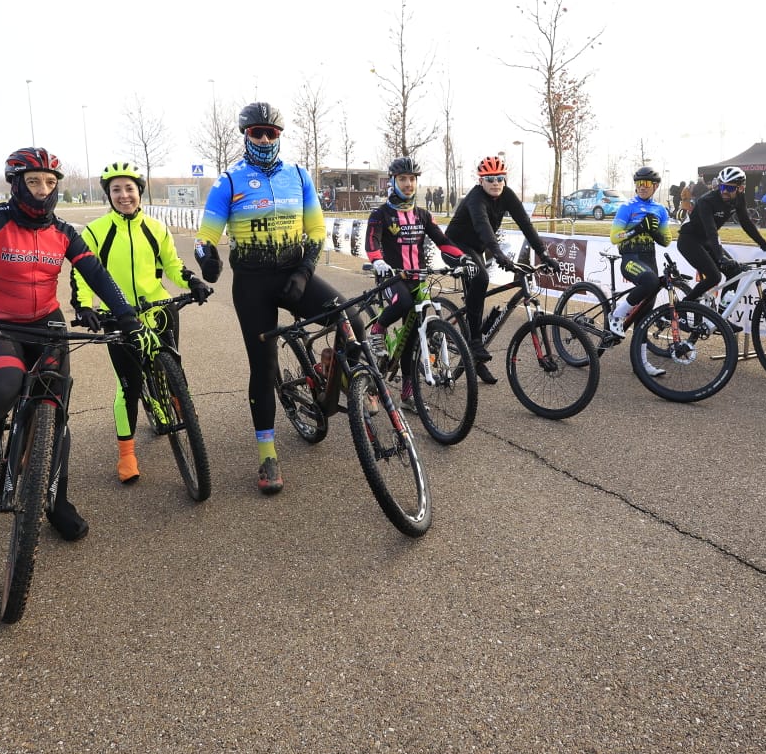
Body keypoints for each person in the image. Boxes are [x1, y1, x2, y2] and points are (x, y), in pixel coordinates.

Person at [0, 147, 158, 542]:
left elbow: (96, 274)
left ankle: (56, 501)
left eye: (51, 182)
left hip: (47, 324)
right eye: (34, 181)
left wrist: (126, 318)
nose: (43, 190)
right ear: (16, 183)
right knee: (5, 385)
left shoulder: (62, 231)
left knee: (56, 413)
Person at [194, 102, 344, 495]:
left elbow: (315, 231)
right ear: (245, 135)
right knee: (263, 367)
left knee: (351, 322)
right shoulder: (229, 180)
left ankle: (328, 368)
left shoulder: (298, 175)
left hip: (295, 273)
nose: (263, 138)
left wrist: (304, 272)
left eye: (271, 133)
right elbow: (205, 235)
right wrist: (206, 257)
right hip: (253, 283)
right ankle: (267, 455)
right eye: (256, 132)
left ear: (279, 136)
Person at [70, 160, 211, 484]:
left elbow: (173, 265)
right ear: (108, 195)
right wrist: (83, 306)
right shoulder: (96, 232)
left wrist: (192, 282)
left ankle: (179, 404)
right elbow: (82, 273)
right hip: (118, 317)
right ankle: (127, 454)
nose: (123, 195)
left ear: (139, 192)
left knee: (173, 366)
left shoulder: (155, 228)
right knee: (129, 385)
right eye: (116, 190)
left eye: (129, 189)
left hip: (158, 309)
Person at [364, 157, 473, 401]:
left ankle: (407, 392)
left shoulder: (423, 215)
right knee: (402, 303)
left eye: (412, 179)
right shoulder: (380, 214)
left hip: (419, 279)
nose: (408, 184)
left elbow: (442, 241)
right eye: (403, 179)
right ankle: (378, 328)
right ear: (392, 181)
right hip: (391, 279)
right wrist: (378, 262)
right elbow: (372, 241)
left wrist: (463, 258)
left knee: (412, 338)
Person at [445, 155, 556, 384]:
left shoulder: (507, 195)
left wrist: (544, 254)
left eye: (500, 178)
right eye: (490, 179)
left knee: (477, 291)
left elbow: (526, 224)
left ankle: (474, 360)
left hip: (477, 248)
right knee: (480, 278)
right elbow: (482, 226)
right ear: (481, 181)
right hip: (455, 246)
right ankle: (474, 344)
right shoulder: (475, 198)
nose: (496, 183)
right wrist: (498, 254)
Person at [675, 165, 766, 306]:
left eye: (729, 188)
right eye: (722, 186)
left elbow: (746, 223)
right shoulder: (706, 201)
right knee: (714, 277)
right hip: (689, 240)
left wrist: (764, 244)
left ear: (740, 188)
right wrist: (720, 257)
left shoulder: (739, 198)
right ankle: (682, 307)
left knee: (735, 272)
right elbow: (711, 230)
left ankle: (721, 317)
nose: (724, 191)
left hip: (705, 240)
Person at [606, 166, 672, 377]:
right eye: (638, 183)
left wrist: (653, 230)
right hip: (630, 259)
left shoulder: (660, 210)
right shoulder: (627, 207)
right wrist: (639, 228)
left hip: (649, 258)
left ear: (655, 186)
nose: (641, 187)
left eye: (646, 184)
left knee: (644, 316)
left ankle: (640, 363)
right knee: (652, 281)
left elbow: (666, 241)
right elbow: (615, 237)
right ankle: (616, 315)